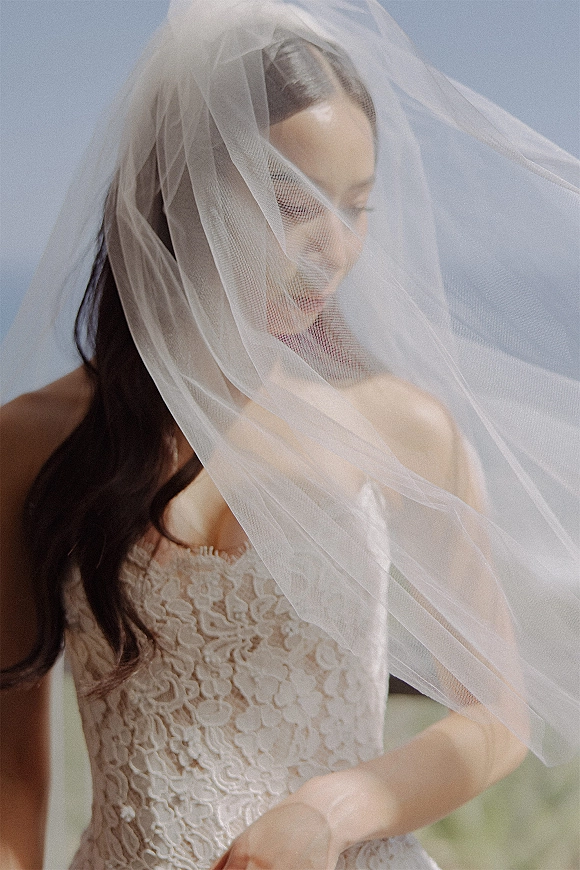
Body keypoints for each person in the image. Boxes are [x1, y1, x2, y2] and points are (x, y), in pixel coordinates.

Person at [1, 1, 578, 868]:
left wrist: (331, 810)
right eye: (292, 203)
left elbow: (496, 716)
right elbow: (9, 774)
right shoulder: (32, 442)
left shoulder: (402, 426)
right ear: (182, 191)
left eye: (356, 207)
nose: (334, 248)